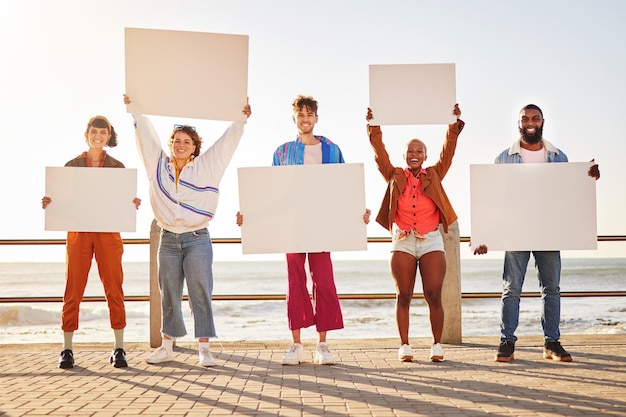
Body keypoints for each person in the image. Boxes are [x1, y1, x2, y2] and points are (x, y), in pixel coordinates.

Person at [237, 95, 370, 366]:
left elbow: (345, 189)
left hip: (323, 225)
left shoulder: (332, 150)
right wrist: (250, 216)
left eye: (309, 114)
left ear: (316, 118)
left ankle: (322, 344)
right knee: (295, 282)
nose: (305, 119)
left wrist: (359, 213)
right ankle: (296, 345)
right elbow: (272, 194)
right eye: (300, 115)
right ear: (294, 119)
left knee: (324, 280)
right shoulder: (282, 152)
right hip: (292, 226)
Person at [123, 94, 251, 367]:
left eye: (187, 142)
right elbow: (146, 137)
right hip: (167, 239)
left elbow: (226, 144)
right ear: (171, 145)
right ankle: (167, 347)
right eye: (176, 141)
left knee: (200, 292)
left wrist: (240, 119)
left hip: (197, 239)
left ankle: (204, 348)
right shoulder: (157, 166)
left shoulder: (208, 167)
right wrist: (136, 111)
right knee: (168, 293)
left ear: (194, 147)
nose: (181, 145)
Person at [492, 104, 600, 363]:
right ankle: (507, 342)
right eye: (525, 118)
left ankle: (551, 342)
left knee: (551, 288)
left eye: (535, 118)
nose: (530, 122)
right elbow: (495, 199)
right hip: (516, 232)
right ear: (518, 123)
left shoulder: (558, 156)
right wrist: (488, 233)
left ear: (542, 122)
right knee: (511, 289)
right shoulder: (504, 158)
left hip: (549, 231)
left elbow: (568, 195)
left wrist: (588, 181)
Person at [366, 104, 464, 362]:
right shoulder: (394, 176)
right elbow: (380, 156)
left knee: (433, 295)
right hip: (403, 241)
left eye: (419, 151)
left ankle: (437, 345)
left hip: (431, 239)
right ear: (404, 155)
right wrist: (374, 127)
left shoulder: (434, 174)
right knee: (404, 295)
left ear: (424, 156)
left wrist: (453, 125)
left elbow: (448, 153)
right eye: (410, 150)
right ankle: (405, 345)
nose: (414, 153)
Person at [41, 115, 141, 369]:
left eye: (103, 132)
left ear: (109, 136)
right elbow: (62, 201)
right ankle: (67, 349)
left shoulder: (118, 168)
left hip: (108, 232)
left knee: (114, 289)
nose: (98, 136)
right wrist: (50, 204)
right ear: (87, 134)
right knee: (73, 289)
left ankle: (119, 348)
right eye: (94, 132)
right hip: (79, 232)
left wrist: (132, 204)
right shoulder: (72, 165)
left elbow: (121, 202)